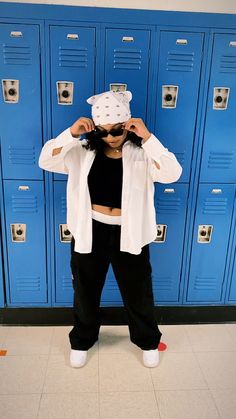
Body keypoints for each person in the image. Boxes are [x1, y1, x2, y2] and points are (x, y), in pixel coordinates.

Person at [38, 90, 182, 368]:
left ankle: (148, 341)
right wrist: (71, 133)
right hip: (90, 230)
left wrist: (149, 137)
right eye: (103, 132)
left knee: (138, 291)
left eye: (117, 129)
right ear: (94, 131)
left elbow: (172, 173)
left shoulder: (142, 154)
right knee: (85, 289)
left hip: (130, 233)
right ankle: (82, 339)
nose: (111, 136)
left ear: (128, 125)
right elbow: (46, 160)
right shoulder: (81, 152)